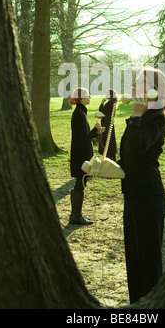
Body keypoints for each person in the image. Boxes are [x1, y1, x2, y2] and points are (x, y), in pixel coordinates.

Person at [118, 67, 165, 303]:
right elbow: (130, 157)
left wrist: (136, 116)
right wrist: (110, 166)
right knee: (134, 260)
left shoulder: (155, 118)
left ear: (153, 91)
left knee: (148, 263)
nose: (133, 85)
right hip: (133, 196)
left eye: (139, 81)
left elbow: (139, 149)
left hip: (149, 198)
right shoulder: (139, 119)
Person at [69, 87, 105, 225]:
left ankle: (76, 214)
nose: (90, 97)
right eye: (88, 95)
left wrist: (97, 132)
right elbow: (84, 137)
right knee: (80, 182)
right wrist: (95, 129)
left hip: (81, 152)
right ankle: (76, 215)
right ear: (82, 99)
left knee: (81, 182)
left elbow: (84, 136)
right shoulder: (79, 114)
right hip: (81, 154)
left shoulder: (80, 112)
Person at [98, 89, 119, 161]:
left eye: (107, 93)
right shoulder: (109, 102)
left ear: (110, 95)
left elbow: (110, 116)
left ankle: (110, 159)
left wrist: (102, 116)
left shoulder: (111, 103)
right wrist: (102, 102)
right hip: (106, 124)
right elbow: (101, 110)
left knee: (108, 142)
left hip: (107, 125)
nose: (105, 94)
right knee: (108, 142)